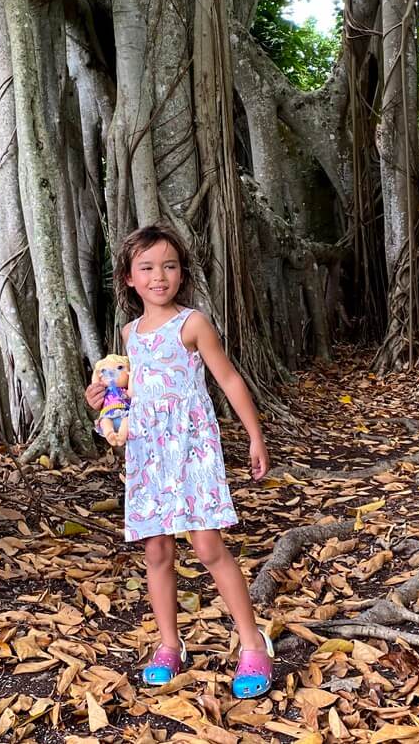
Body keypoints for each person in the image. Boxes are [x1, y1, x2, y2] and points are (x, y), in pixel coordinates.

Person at [85, 223, 274, 698]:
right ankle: (170, 643)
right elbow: (128, 392)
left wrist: (255, 437)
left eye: (169, 266)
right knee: (157, 552)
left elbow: (228, 379)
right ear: (129, 278)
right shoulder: (129, 335)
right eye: (146, 268)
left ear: (182, 273)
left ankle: (253, 643)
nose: (158, 276)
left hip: (192, 449)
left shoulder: (192, 323)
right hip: (148, 453)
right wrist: (102, 399)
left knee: (208, 547)